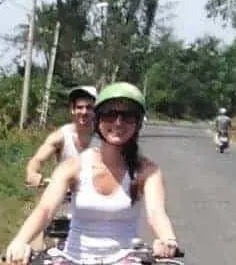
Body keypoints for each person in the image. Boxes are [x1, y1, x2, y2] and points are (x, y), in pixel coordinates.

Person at [4, 82, 181, 265]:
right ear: (98, 121)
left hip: (125, 258)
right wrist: (20, 241)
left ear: (137, 123)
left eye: (127, 116)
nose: (118, 122)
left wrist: (168, 240)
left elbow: (156, 212)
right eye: (110, 115)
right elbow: (46, 209)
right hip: (73, 257)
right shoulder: (73, 166)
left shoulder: (147, 171)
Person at [25, 86, 99, 187]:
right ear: (72, 109)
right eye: (79, 107)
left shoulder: (102, 137)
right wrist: (32, 173)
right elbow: (38, 159)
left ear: (95, 110)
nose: (84, 112)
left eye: (89, 107)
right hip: (63, 195)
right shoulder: (61, 136)